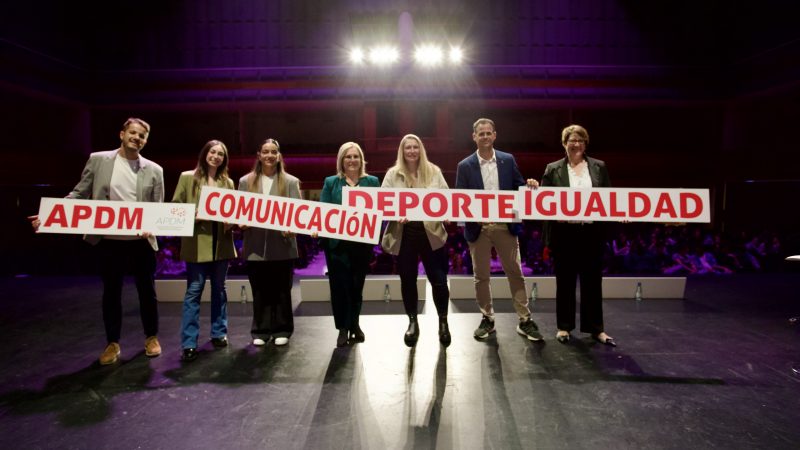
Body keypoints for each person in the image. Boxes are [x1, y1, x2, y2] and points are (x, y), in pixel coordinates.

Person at [29, 118, 164, 364]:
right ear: (122, 134)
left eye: (142, 136)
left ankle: (151, 337)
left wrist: (150, 227)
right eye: (132, 133)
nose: (137, 138)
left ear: (146, 140)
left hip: (140, 242)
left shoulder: (155, 170)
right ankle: (112, 343)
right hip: (109, 241)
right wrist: (49, 216)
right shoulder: (99, 159)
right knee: (111, 293)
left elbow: (157, 208)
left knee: (147, 292)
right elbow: (79, 193)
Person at [454, 118, 543, 341]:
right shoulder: (465, 166)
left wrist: (529, 186)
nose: (484, 137)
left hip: (506, 225)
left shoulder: (507, 160)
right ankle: (487, 318)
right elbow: (460, 199)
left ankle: (524, 319)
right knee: (481, 276)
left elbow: (518, 187)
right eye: (480, 133)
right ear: (474, 137)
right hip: (479, 228)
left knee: (516, 273)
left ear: (495, 135)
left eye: (488, 133)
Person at [541, 124, 616, 346]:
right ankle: (564, 327)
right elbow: (542, 203)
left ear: (585, 144)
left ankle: (596, 329)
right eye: (572, 140)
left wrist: (622, 211)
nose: (576, 144)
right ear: (564, 144)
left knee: (593, 282)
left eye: (580, 140)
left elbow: (610, 197)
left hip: (592, 233)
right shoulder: (552, 168)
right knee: (565, 282)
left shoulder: (599, 167)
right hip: (564, 234)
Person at [381, 134, 452, 346]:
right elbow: (384, 203)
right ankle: (412, 321)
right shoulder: (392, 174)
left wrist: (447, 213)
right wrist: (395, 214)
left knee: (439, 280)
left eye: (415, 147)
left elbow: (447, 198)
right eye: (407, 148)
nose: (412, 151)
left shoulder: (434, 171)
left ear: (420, 149)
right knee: (408, 280)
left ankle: (443, 322)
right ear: (402, 151)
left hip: (431, 232)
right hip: (404, 234)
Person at [171, 140, 237, 362]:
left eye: (220, 154)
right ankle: (189, 342)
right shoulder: (187, 177)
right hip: (197, 244)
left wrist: (232, 222)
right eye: (213, 152)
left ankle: (219, 333)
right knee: (194, 292)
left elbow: (234, 212)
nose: (216, 156)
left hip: (221, 245)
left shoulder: (228, 182)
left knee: (220, 290)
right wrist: (194, 215)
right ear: (205, 154)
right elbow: (175, 209)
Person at [238, 139, 300, 347]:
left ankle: (282, 329)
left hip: (282, 246)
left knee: (282, 290)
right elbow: (240, 213)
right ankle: (261, 330)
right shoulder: (245, 181)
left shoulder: (290, 181)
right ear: (259, 155)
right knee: (259, 290)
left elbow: (298, 214)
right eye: (266, 152)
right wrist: (241, 223)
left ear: (279, 155)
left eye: (274, 152)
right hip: (255, 246)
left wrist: (293, 227)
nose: (270, 155)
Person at [319, 142, 379, 347]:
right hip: (337, 247)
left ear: (361, 160)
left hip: (361, 246)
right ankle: (342, 328)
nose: (352, 160)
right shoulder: (331, 183)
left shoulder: (372, 182)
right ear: (341, 161)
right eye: (348, 157)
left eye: (356, 156)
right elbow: (323, 211)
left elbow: (379, 212)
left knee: (356, 287)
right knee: (339, 288)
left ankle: (355, 324)